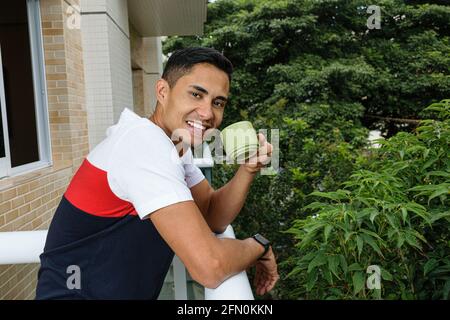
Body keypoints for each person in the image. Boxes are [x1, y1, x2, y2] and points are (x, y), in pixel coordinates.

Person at [35, 47, 279, 300]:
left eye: (218, 102)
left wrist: (248, 169)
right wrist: (258, 246)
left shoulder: (173, 145)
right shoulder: (144, 144)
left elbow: (211, 216)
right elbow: (210, 267)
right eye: (196, 94)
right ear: (163, 91)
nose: (207, 113)